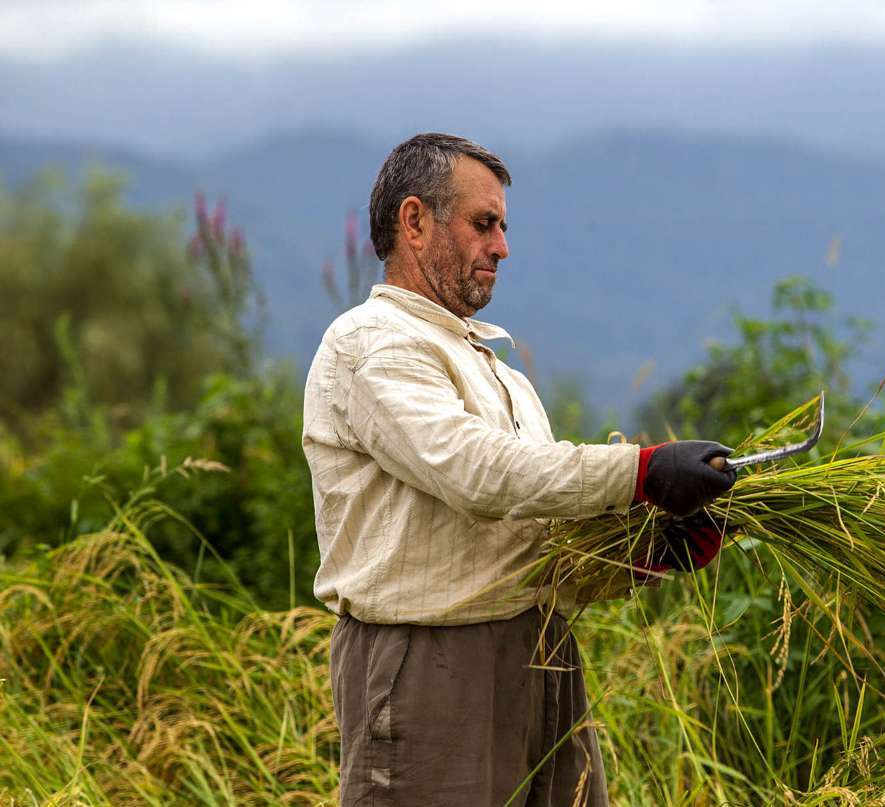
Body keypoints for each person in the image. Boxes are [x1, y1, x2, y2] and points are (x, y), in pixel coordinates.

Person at [302, 133, 737, 806]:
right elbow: (477, 472)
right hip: (428, 668)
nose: (502, 246)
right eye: (484, 224)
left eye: (502, 226)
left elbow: (534, 540)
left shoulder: (496, 372)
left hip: (539, 653)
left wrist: (654, 553)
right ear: (414, 222)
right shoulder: (370, 345)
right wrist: (643, 470)